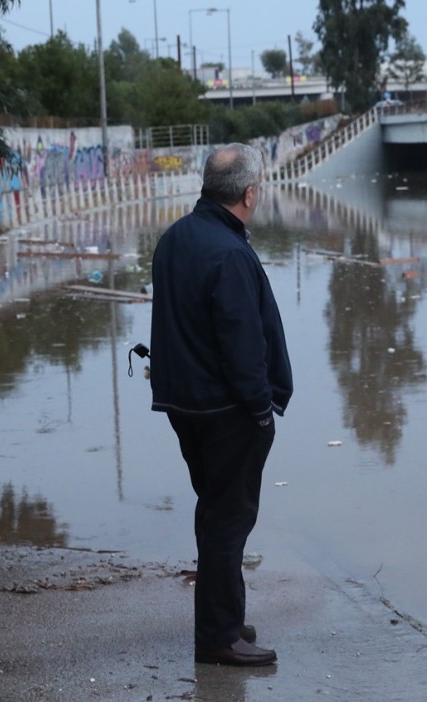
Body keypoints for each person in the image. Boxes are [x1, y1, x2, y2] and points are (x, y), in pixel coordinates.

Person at [149, 143, 293, 667]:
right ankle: (218, 638)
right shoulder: (229, 253)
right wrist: (260, 409)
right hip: (226, 410)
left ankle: (224, 618)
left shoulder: (176, 239)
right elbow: (242, 345)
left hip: (186, 404)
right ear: (251, 194)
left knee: (214, 513)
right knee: (228, 521)